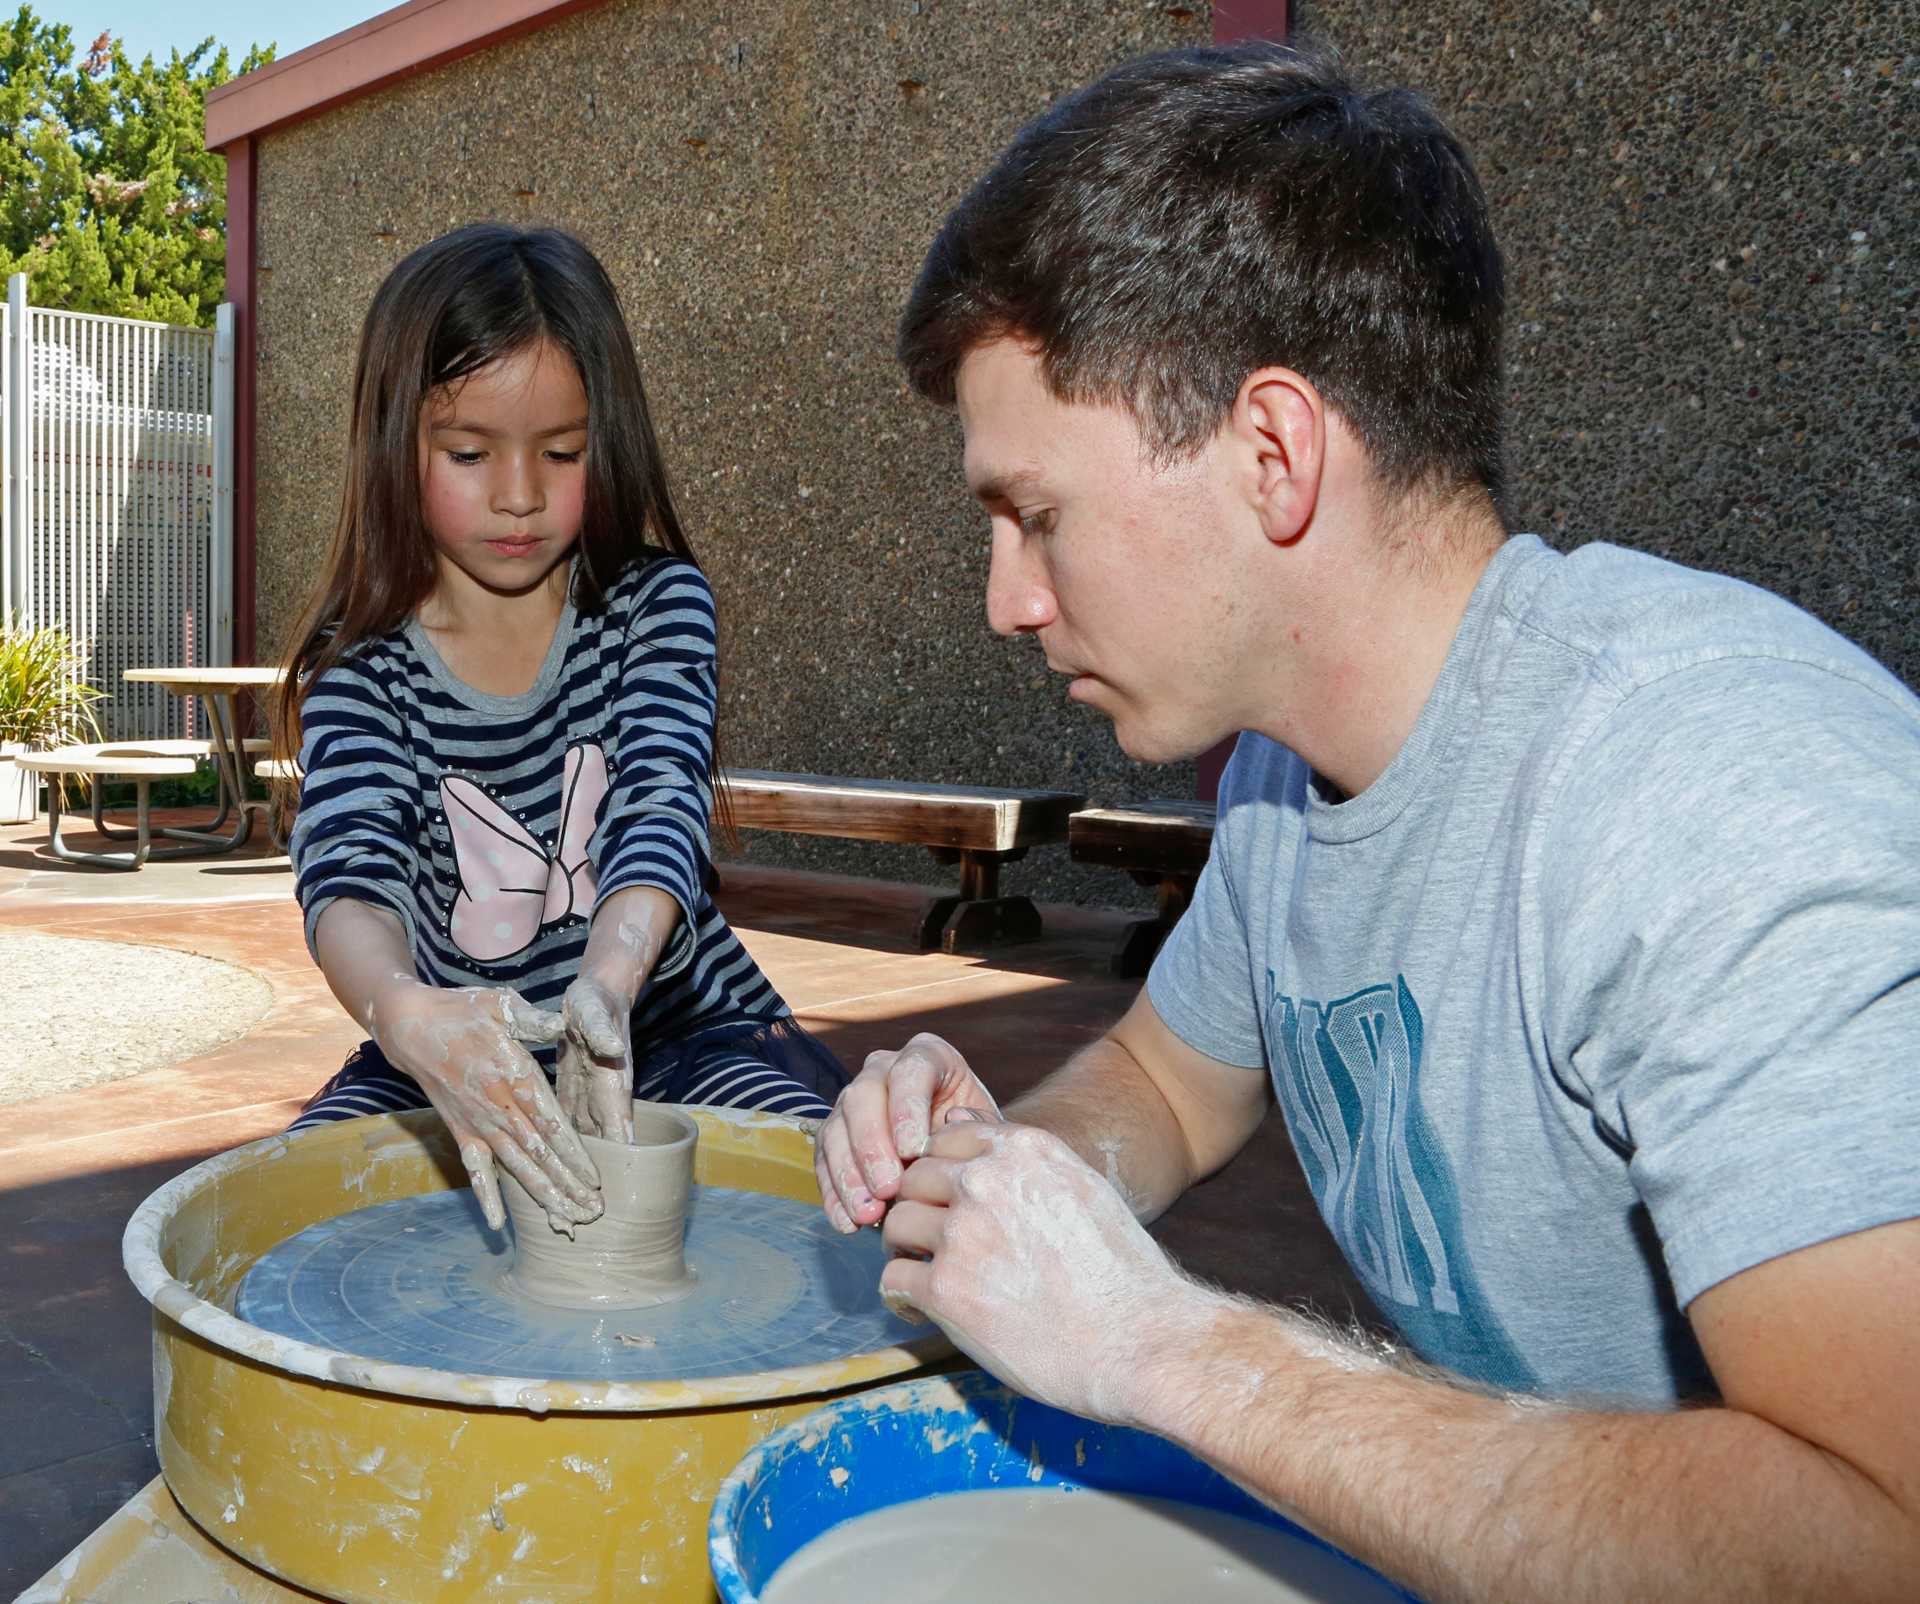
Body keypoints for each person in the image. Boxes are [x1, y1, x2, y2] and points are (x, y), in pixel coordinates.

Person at [815, 41, 1920, 1602]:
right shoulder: (1283, 778)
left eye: (1036, 514)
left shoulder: (1714, 791)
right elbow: (1170, 1086)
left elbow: (1885, 1533)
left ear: (1273, 454)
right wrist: (1005, 1171)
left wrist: (1163, 1344)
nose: (1008, 600)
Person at [277, 223, 846, 1232]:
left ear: (606, 438)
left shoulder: (653, 606)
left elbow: (660, 801)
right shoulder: (361, 670)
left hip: (676, 1024)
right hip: (451, 1052)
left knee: (835, 1192)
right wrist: (405, 1014)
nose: (521, 494)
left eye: (562, 451)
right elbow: (349, 876)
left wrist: (606, 986)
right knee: (294, 1210)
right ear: (392, 441)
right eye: (468, 451)